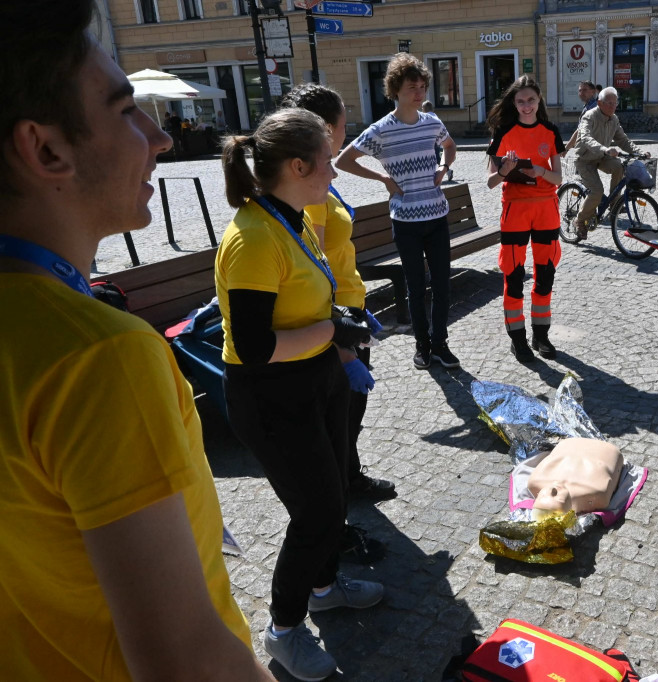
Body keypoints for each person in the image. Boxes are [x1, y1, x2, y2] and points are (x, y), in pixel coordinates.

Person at [0, 3, 273, 680]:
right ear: (46, 150)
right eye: (125, 111)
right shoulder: (96, 355)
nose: (159, 137)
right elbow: (185, 659)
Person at [218, 108, 385, 680]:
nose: (334, 168)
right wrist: (333, 330)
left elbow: (303, 294)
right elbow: (254, 344)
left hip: (315, 381)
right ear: (297, 165)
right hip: (271, 395)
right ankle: (283, 631)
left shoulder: (288, 216)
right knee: (316, 512)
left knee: (334, 492)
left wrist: (333, 316)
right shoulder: (252, 235)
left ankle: (323, 585)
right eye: (327, 158)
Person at [279, 83, 396, 504]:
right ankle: (339, 494)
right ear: (326, 130)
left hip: (349, 306)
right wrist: (341, 337)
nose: (349, 133)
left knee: (350, 410)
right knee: (341, 412)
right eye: (344, 125)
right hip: (334, 313)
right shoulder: (309, 193)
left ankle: (348, 476)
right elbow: (316, 263)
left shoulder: (322, 182)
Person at [337, 53, 459, 370]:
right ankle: (422, 346)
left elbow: (450, 146)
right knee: (416, 288)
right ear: (395, 89)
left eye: (422, 87)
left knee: (442, 286)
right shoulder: (381, 130)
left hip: (436, 217)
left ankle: (441, 344)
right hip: (405, 222)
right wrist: (382, 178)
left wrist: (444, 168)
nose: (419, 93)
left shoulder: (432, 122)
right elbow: (343, 161)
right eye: (411, 87)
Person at [485, 76, 565, 362]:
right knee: (514, 275)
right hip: (515, 211)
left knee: (545, 275)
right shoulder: (504, 133)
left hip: (546, 209)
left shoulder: (550, 132)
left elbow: (559, 177)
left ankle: (540, 335)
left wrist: (541, 172)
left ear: (539, 100)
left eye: (531, 100)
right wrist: (505, 170)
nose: (526, 106)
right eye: (521, 101)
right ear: (514, 103)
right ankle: (517, 339)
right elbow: (491, 183)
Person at [573, 86, 649, 240]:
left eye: (615, 103)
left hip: (602, 157)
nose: (613, 106)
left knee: (619, 167)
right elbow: (586, 138)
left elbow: (623, 140)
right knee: (596, 191)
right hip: (585, 159)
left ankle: (614, 203)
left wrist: (639, 152)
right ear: (600, 103)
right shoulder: (589, 116)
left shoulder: (613, 119)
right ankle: (579, 220)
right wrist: (604, 149)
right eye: (609, 103)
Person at [529, 438, 624, 515]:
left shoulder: (535, 482)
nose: (552, 491)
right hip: (606, 450)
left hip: (569, 445)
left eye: (543, 495)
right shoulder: (596, 492)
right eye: (555, 496)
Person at [565, 80, 599, 150]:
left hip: (591, 150)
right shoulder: (588, 107)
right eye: (580, 91)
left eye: (585, 90)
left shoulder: (592, 108)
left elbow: (579, 130)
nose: (581, 93)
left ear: (593, 92)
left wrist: (566, 148)